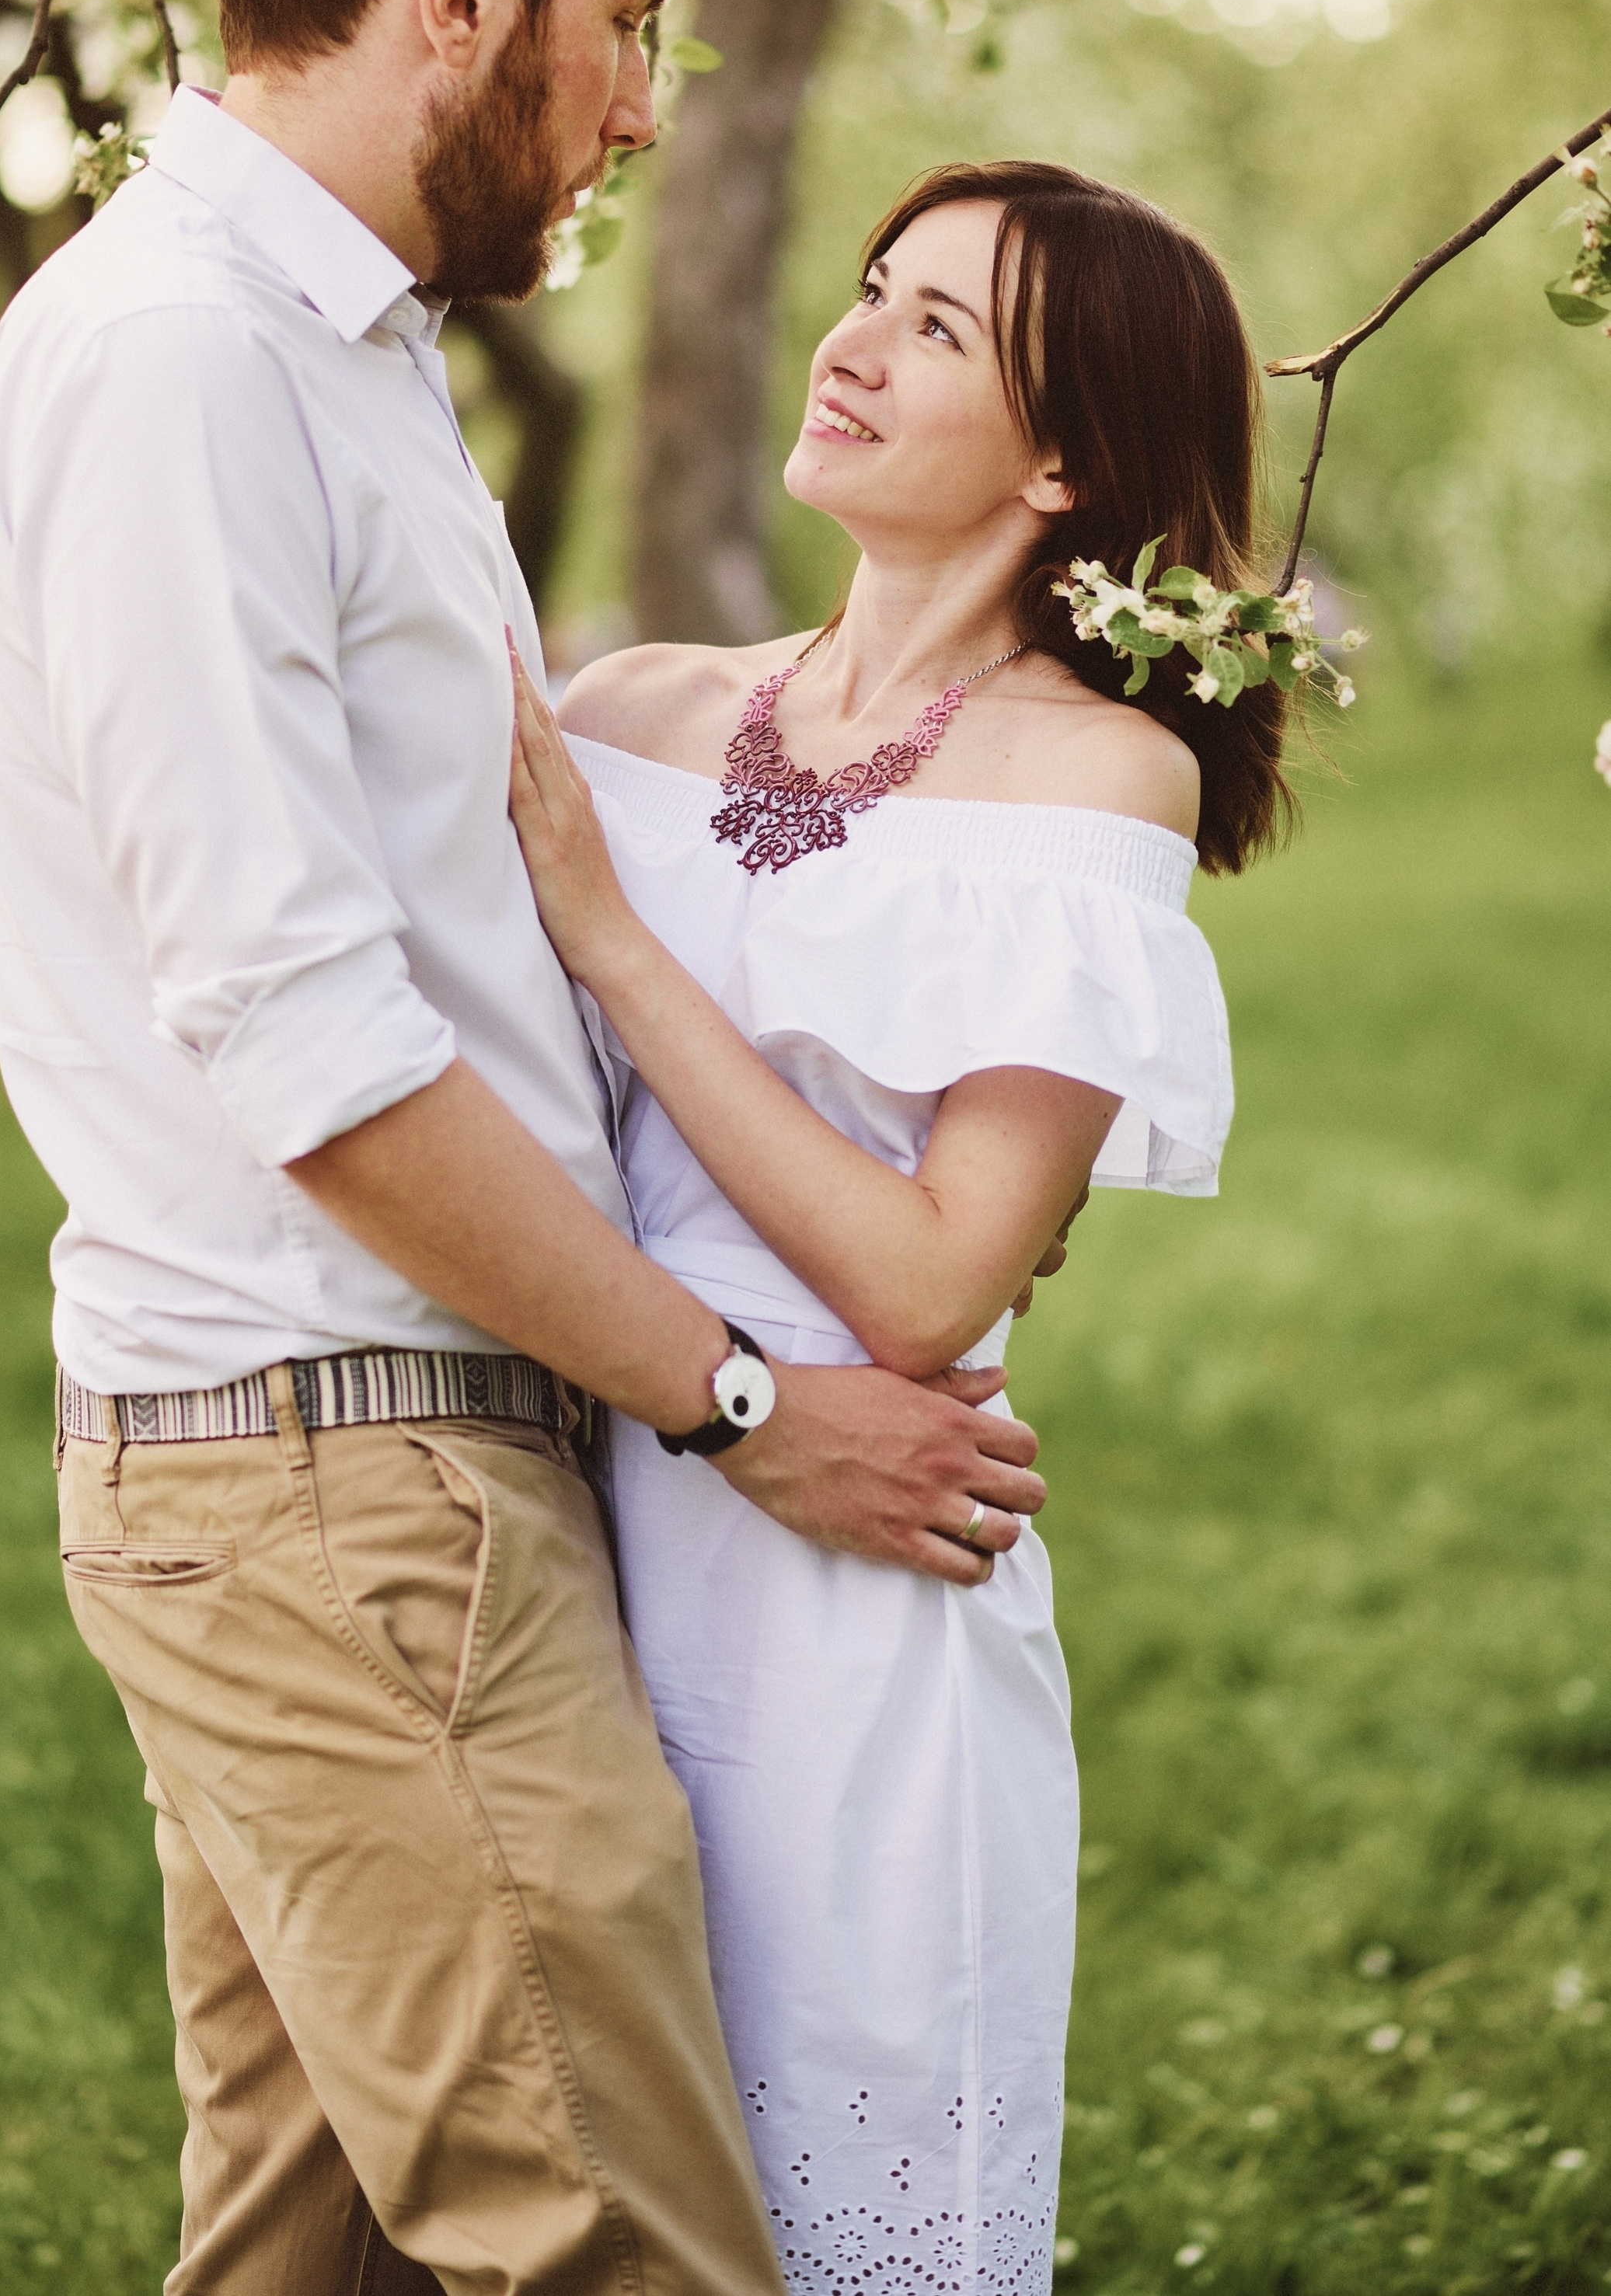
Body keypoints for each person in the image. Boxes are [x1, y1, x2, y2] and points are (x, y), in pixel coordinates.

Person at [0, 0, 1062, 2296]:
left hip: (347, 1468)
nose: (639, 99)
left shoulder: (332, 353)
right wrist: (745, 1402)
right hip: (347, 1493)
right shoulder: (186, 361)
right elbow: (316, 1054)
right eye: (625, 13)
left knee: (297, 2269)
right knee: (628, 2257)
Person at [507, 160, 1288, 2296]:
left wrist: (611, 933)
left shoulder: (1087, 780)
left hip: (851, 1585)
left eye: (936, 329)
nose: (848, 343)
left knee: (838, 2225)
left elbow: (936, 1277)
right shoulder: (622, 710)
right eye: (867, 293)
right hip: (554, 1515)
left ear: (1061, 459)